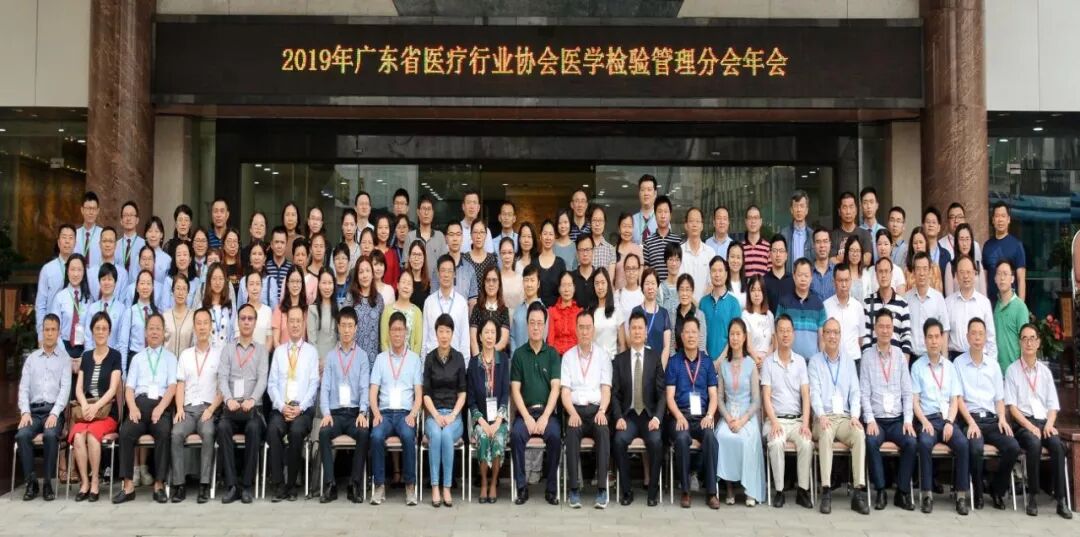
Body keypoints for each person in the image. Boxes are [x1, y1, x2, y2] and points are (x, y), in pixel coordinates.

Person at [1005, 323, 1072, 518]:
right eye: (1024, 339)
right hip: (1023, 423)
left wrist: (1049, 424)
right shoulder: (1012, 371)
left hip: (1045, 422)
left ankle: (1061, 500)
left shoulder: (1045, 372)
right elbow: (1012, 408)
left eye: (1032, 339)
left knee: (1058, 446)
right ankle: (1033, 496)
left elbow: (1053, 406)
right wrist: (1030, 426)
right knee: (1034, 443)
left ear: (1038, 342)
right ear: (1020, 342)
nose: (1028, 343)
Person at [954, 317, 1020, 511]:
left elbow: (999, 399)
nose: (977, 338)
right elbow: (958, 398)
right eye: (973, 333)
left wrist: (1002, 418)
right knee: (975, 448)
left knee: (1013, 446)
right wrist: (970, 422)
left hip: (992, 420)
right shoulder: (958, 363)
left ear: (985, 338)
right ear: (967, 337)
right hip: (970, 419)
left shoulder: (993, 365)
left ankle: (997, 489)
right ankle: (978, 492)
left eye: (980, 334)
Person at [113, 314, 177, 504]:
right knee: (125, 432)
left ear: (163, 333)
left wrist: (161, 408)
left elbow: (172, 387)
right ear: (145, 332)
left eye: (158, 328)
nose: (154, 332)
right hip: (139, 406)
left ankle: (159, 485)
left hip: (161, 406)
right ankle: (128, 486)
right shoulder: (138, 358)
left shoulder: (170, 358)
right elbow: (129, 388)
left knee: (164, 433)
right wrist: (132, 407)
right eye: (151, 328)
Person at [809, 318, 869, 514]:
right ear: (823, 335)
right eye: (828, 332)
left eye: (836, 332)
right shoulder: (815, 362)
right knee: (826, 432)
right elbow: (814, 393)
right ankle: (826, 491)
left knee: (859, 433)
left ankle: (858, 492)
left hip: (843, 418)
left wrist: (855, 416)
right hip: (823, 417)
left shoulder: (849, 362)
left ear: (840, 335)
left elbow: (855, 393)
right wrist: (820, 415)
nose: (832, 336)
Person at [910, 319, 970, 514]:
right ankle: (927, 495)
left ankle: (961, 496)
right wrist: (924, 422)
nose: (934, 341)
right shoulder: (917, 367)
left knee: (963, 444)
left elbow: (954, 400)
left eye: (937, 337)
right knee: (924, 443)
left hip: (947, 420)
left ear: (943, 339)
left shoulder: (950, 367)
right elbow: (915, 401)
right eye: (930, 337)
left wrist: (950, 422)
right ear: (925, 340)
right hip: (927, 419)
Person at [860, 309, 917, 511]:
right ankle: (881, 490)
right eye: (881, 326)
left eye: (888, 327)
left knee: (911, 442)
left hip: (896, 420)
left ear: (893, 329)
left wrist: (908, 420)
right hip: (877, 420)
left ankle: (902, 491)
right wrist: (869, 420)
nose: (885, 330)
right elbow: (864, 393)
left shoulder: (900, 356)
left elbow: (907, 392)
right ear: (875, 329)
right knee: (870, 441)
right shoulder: (867, 356)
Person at [368, 312, 424, 506]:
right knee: (376, 436)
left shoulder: (414, 359)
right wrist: (376, 413)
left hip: (404, 414)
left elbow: (419, 393)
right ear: (389, 332)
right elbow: (373, 391)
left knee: (408, 436)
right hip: (384, 413)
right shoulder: (381, 359)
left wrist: (413, 414)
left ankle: (410, 486)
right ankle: (379, 486)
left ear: (406, 332)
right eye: (394, 330)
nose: (397, 334)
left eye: (400, 329)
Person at [317, 306, 371, 504]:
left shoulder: (362, 356)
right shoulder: (331, 357)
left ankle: (354, 484)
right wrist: (326, 413)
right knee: (324, 433)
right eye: (343, 325)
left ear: (356, 328)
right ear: (338, 327)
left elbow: (364, 387)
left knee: (364, 433)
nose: (347, 330)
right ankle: (330, 484)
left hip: (355, 413)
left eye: (350, 326)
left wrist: (363, 412)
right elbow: (325, 388)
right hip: (336, 414)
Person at [665, 317, 721, 509]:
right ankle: (685, 490)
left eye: (694, 332)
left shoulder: (707, 362)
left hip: (702, 417)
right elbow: (669, 396)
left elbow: (713, 395)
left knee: (710, 437)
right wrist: (679, 416)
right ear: (681, 336)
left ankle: (711, 492)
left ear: (699, 335)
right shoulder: (674, 362)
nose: (690, 336)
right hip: (679, 416)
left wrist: (710, 415)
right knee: (681, 438)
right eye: (687, 332)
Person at [510, 302, 562, 505]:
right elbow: (515, 390)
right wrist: (526, 417)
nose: (536, 327)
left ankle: (551, 489)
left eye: (540, 323)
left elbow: (556, 388)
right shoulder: (519, 355)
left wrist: (545, 417)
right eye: (532, 323)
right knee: (516, 435)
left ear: (545, 326)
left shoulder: (552, 354)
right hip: (526, 413)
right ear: (527, 324)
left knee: (555, 436)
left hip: (547, 414)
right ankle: (522, 488)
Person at [216, 303, 269, 504]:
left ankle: (247, 485)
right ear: (237, 322)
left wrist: (252, 400)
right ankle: (231, 486)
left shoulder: (261, 350)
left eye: (250, 319)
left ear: (255, 322)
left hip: (252, 409)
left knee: (254, 429)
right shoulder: (228, 349)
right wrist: (229, 399)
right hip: (231, 408)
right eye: (243, 318)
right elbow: (222, 377)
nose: (246, 322)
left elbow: (262, 379)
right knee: (222, 428)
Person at [611, 311, 666, 506]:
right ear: (628, 331)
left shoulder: (654, 357)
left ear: (645, 332)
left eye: (640, 328)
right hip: (629, 416)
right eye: (633, 328)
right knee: (619, 441)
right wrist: (618, 417)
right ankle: (627, 491)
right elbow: (615, 394)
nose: (636, 331)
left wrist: (657, 418)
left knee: (656, 441)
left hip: (649, 416)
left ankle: (652, 492)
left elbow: (662, 393)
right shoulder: (619, 360)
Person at [266, 306, 320, 502]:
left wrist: (300, 408)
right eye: (292, 321)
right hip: (281, 407)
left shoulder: (311, 352)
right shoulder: (279, 352)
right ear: (286, 324)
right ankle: (279, 484)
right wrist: (282, 406)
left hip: (302, 409)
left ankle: (291, 485)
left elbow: (314, 384)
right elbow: (272, 384)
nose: (295, 325)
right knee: (273, 430)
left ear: (303, 324)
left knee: (297, 432)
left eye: (298, 321)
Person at [169, 308, 223, 503]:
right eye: (198, 323)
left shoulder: (219, 354)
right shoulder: (185, 355)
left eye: (205, 323)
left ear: (211, 327)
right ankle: (179, 485)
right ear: (194, 327)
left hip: (208, 409)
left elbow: (222, 389)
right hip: (188, 409)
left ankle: (204, 484)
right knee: (176, 433)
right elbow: (180, 384)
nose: (202, 327)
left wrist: (211, 409)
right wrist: (179, 408)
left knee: (208, 433)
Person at [15, 314, 71, 502]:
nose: (49, 333)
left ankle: (48, 482)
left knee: (50, 435)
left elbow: (65, 390)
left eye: (53, 330)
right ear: (42, 331)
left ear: (58, 333)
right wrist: (25, 412)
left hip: (53, 412)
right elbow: (23, 388)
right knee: (22, 435)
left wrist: (55, 413)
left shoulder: (64, 360)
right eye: (46, 329)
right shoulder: (32, 359)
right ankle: (31, 482)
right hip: (33, 412)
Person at [560, 311, 613, 509]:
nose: (584, 332)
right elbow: (565, 392)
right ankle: (574, 489)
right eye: (581, 327)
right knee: (572, 432)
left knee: (603, 431)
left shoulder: (602, 356)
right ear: (575, 330)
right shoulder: (568, 357)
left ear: (593, 330)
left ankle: (602, 489)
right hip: (576, 411)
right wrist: (572, 413)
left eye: (588, 328)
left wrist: (602, 410)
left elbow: (606, 388)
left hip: (597, 410)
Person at [713, 318, 767, 507]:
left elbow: (757, 400)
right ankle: (729, 488)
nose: (735, 338)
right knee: (722, 437)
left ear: (744, 337)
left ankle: (749, 489)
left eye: (738, 334)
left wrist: (742, 421)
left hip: (747, 417)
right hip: (729, 416)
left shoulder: (751, 364)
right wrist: (729, 419)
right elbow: (720, 398)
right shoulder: (723, 365)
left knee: (746, 439)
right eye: (732, 334)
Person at [761, 314, 813, 509]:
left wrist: (806, 423)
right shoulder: (768, 362)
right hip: (775, 420)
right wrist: (774, 422)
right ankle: (779, 491)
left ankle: (803, 491)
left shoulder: (800, 362)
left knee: (806, 443)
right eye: (781, 331)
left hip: (797, 421)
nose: (785, 334)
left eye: (788, 331)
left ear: (793, 334)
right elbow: (766, 396)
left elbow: (806, 395)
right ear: (776, 334)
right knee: (776, 442)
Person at [69, 312, 122, 502]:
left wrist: (96, 407)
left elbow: (113, 389)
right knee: (78, 436)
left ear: (109, 332)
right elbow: (79, 388)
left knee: (92, 436)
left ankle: (95, 482)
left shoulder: (115, 356)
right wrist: (85, 405)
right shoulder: (86, 356)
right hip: (86, 410)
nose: (100, 332)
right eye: (97, 328)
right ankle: (84, 482)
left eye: (104, 329)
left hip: (106, 412)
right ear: (92, 331)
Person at [422, 314, 468, 508]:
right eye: (441, 331)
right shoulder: (429, 358)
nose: (444, 335)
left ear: (452, 333)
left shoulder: (458, 358)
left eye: (447, 331)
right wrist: (436, 415)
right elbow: (426, 394)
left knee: (447, 434)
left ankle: (447, 487)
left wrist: (452, 415)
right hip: (433, 414)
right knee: (436, 434)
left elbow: (463, 393)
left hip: (453, 415)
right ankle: (435, 486)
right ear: (436, 333)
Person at [468, 318, 511, 503]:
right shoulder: (473, 364)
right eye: (486, 332)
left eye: (493, 332)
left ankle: (494, 483)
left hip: (499, 419)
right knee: (484, 437)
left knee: (498, 437)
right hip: (481, 420)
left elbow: (505, 394)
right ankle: (484, 483)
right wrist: (483, 423)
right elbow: (471, 400)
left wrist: (498, 421)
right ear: (480, 336)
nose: (489, 336)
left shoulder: (503, 360)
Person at [944, 256, 997, 362]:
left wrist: (992, 364)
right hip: (955, 358)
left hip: (980, 358)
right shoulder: (948, 303)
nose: (966, 276)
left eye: (969, 272)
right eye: (962, 272)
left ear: (974, 274)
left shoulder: (984, 303)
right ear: (956, 276)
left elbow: (990, 337)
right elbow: (945, 336)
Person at [862, 257, 913, 359]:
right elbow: (866, 336)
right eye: (880, 271)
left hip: (896, 360)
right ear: (876, 275)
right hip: (874, 360)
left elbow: (906, 336)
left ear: (891, 274)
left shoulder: (902, 304)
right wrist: (869, 361)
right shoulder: (868, 302)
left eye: (886, 271)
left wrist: (904, 362)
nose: (883, 275)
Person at [775, 259, 826, 360]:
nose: (803, 279)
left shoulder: (818, 304)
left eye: (806, 276)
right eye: (799, 275)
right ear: (794, 277)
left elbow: (822, 338)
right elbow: (777, 334)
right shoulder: (784, 303)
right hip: (789, 362)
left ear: (811, 278)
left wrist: (823, 361)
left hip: (813, 362)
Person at [422, 254, 471, 360]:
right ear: (438, 273)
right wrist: (423, 364)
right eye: (443, 270)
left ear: (454, 274)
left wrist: (465, 364)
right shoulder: (429, 302)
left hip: (455, 362)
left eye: (449, 271)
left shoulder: (461, 303)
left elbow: (465, 339)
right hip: (433, 362)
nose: (446, 275)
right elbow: (425, 337)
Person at [904, 253, 950, 359]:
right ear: (913, 272)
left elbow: (945, 329)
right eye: (918, 269)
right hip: (912, 356)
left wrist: (944, 358)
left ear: (930, 271)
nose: (922, 273)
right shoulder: (906, 298)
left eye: (925, 269)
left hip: (933, 357)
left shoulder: (938, 298)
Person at [36, 224, 76, 342]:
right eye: (64, 237)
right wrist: (41, 334)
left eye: (71, 238)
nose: (67, 241)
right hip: (51, 331)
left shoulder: (80, 270)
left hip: (73, 333)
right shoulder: (47, 269)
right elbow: (41, 304)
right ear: (58, 242)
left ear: (75, 242)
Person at [118, 270, 161, 373]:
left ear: (152, 287)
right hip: (135, 358)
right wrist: (123, 370)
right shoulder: (130, 312)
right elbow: (123, 344)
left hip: (153, 360)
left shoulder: (157, 313)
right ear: (137, 288)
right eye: (142, 283)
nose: (145, 287)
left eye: (148, 283)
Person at [983, 202, 1027, 303]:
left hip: (1010, 303)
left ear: (1008, 219)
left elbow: (1021, 279)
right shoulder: (987, 246)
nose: (1000, 220)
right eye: (997, 216)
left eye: (1003, 216)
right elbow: (984, 279)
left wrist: (1021, 306)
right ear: (993, 220)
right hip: (991, 303)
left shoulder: (1017, 245)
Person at [824, 264, 866, 367]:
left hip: (854, 361)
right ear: (833, 282)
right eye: (840, 280)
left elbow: (861, 338)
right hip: (831, 361)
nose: (844, 285)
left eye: (846, 280)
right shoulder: (826, 306)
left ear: (851, 281)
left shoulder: (858, 307)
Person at [51, 254, 92, 359]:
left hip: (84, 348)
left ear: (84, 272)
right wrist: (64, 355)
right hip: (63, 347)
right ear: (67, 271)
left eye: (79, 270)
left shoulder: (89, 299)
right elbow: (54, 329)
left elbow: (91, 331)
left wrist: (85, 355)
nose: (75, 274)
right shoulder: (60, 297)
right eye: (72, 269)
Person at [992, 261, 1029, 372]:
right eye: (999, 274)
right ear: (995, 279)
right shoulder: (995, 306)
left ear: (1012, 279)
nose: (1002, 278)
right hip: (997, 370)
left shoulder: (1020, 307)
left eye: (1005, 274)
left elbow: (1026, 341)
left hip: (1015, 371)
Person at [349, 256, 385, 367]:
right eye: (361, 272)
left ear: (372, 274)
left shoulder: (379, 299)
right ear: (357, 276)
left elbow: (382, 331)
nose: (364, 275)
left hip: (374, 359)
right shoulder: (350, 298)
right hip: (353, 358)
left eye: (367, 271)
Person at [84, 262, 126, 353]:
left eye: (110, 279)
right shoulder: (92, 308)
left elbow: (122, 341)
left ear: (115, 283)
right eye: (103, 279)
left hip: (113, 356)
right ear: (99, 282)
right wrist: (90, 357)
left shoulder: (121, 309)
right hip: (94, 356)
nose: (106, 283)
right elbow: (88, 338)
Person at [469, 265, 510, 357]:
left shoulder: (504, 310)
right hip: (479, 358)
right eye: (488, 280)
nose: (491, 284)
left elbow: (503, 342)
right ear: (484, 283)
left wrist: (488, 356)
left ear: (499, 284)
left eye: (494, 280)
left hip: (498, 360)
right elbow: (473, 340)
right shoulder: (477, 308)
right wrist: (480, 360)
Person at [633, 268, 672, 364]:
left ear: (657, 286)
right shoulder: (636, 311)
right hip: (640, 365)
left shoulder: (664, 313)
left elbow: (667, 346)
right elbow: (632, 342)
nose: (650, 287)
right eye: (647, 283)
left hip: (660, 365)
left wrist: (660, 369)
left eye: (653, 283)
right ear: (642, 287)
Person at [380, 271, 423, 355]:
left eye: (409, 283)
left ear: (412, 289)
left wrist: (412, 360)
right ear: (397, 286)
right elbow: (384, 341)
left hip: (411, 360)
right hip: (390, 360)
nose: (406, 286)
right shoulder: (387, 311)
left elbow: (417, 343)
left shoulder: (417, 312)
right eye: (403, 282)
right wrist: (389, 360)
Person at [642, 196, 683, 280]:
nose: (663, 216)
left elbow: (682, 269)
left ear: (670, 215)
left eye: (666, 212)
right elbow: (646, 272)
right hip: (654, 288)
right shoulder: (647, 243)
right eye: (660, 211)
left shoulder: (678, 241)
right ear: (655, 215)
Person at [830, 192, 873, 267]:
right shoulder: (833, 235)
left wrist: (843, 257)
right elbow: (831, 260)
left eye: (851, 207)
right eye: (844, 207)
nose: (848, 211)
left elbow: (867, 260)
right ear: (839, 211)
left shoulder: (865, 234)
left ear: (856, 210)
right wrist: (856, 257)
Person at [511, 264, 546, 354]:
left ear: (538, 284)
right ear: (523, 283)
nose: (529, 284)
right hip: (518, 359)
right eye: (526, 280)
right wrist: (516, 356)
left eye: (532, 280)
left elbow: (545, 339)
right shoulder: (518, 310)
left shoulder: (544, 311)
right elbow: (512, 337)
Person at [740, 275, 774, 368]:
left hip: (768, 361)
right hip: (751, 360)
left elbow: (773, 343)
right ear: (749, 293)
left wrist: (765, 359)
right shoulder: (745, 315)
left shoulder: (769, 315)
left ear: (763, 293)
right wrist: (756, 359)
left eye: (759, 290)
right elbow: (748, 345)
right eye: (753, 290)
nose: (756, 294)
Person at [943, 224, 986, 296]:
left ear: (971, 241)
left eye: (967, 239)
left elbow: (983, 295)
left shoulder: (978, 265)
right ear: (957, 242)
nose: (965, 243)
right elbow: (949, 297)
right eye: (961, 239)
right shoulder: (951, 266)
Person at [443, 221, 479, 306]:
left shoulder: (469, 268)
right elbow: (434, 298)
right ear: (446, 238)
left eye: (458, 234)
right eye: (451, 234)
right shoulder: (438, 267)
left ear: (462, 238)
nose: (455, 239)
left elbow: (472, 302)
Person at [308, 269, 340, 360]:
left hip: (336, 360)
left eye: (330, 283)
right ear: (319, 284)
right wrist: (319, 360)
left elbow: (341, 339)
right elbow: (312, 340)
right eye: (324, 283)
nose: (327, 287)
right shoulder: (312, 309)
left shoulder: (339, 308)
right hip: (317, 361)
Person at [87, 227, 128, 299]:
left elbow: (122, 302)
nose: (107, 245)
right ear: (99, 244)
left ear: (115, 245)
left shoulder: (122, 274)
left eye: (111, 241)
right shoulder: (90, 273)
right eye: (104, 241)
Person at [272, 266, 307, 348]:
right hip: (283, 354)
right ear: (287, 284)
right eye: (292, 281)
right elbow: (275, 341)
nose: (295, 285)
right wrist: (284, 354)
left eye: (298, 281)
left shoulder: (306, 309)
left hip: (302, 354)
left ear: (302, 284)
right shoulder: (279, 309)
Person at [547, 271, 581, 355]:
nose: (566, 290)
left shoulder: (579, 312)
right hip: (556, 356)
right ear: (559, 289)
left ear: (574, 288)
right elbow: (550, 340)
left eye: (569, 285)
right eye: (563, 285)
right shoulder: (552, 311)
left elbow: (581, 339)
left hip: (575, 356)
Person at [407, 195, 448, 265]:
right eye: (423, 209)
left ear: (433, 212)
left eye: (429, 209)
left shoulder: (440, 237)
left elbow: (444, 264)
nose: (426, 213)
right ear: (418, 212)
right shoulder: (410, 237)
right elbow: (406, 265)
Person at [862, 230, 906, 295]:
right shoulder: (869, 271)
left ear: (891, 246)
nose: (882, 248)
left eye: (886, 244)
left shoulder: (898, 271)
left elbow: (901, 297)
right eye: (879, 244)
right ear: (876, 246)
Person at [672, 274, 706, 357]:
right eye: (681, 289)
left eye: (687, 290)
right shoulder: (672, 314)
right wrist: (674, 360)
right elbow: (671, 344)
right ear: (677, 292)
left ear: (692, 291)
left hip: (696, 360)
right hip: (677, 360)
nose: (684, 293)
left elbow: (701, 344)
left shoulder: (699, 315)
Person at [903, 227, 944, 293]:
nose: (918, 246)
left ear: (926, 243)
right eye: (915, 243)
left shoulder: (934, 268)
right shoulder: (907, 270)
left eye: (921, 242)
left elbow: (938, 294)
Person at [780, 190, 814, 271]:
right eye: (796, 206)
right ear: (791, 210)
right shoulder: (783, 234)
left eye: (802, 206)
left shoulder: (813, 236)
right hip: (789, 277)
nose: (799, 210)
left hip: (808, 278)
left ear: (807, 210)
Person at [614, 212, 643, 290]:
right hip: (618, 295)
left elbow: (640, 278)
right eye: (624, 226)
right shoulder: (613, 250)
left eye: (630, 226)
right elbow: (611, 278)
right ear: (619, 229)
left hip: (635, 295)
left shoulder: (638, 250)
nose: (627, 230)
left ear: (633, 229)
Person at [265, 226, 294, 305]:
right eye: (276, 242)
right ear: (271, 244)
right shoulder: (265, 267)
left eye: (282, 242)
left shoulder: (291, 268)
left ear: (286, 245)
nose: (279, 246)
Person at [921, 207, 953, 278]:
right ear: (923, 226)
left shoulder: (946, 254)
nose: (931, 225)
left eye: (934, 222)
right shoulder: (918, 251)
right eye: (928, 222)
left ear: (939, 228)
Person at [460, 189, 495, 253]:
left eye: (474, 203)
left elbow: (489, 255)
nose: (472, 206)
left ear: (478, 208)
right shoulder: (457, 230)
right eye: (468, 202)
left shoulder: (486, 231)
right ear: (463, 206)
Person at [74, 192, 103, 266]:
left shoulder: (103, 234)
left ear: (98, 211)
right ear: (82, 210)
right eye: (88, 208)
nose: (91, 212)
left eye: (94, 209)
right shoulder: (74, 235)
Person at [742, 205, 770, 278]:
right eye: (750, 218)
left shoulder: (768, 248)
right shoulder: (740, 248)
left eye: (756, 218)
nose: (753, 221)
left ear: (761, 221)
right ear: (746, 221)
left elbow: (770, 276)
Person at [570, 234, 598, 308]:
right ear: (577, 253)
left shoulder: (599, 277)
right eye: (581, 250)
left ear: (593, 251)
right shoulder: (570, 278)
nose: (585, 254)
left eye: (588, 249)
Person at [589, 205, 617, 278]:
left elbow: (610, 279)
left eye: (600, 220)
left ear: (604, 223)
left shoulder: (611, 249)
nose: (597, 224)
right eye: (594, 220)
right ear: (590, 223)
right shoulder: (584, 247)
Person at [809, 229, 835, 301]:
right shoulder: (807, 272)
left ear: (830, 244)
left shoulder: (837, 272)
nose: (822, 245)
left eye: (825, 241)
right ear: (813, 245)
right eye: (818, 242)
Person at [499, 237, 524, 312]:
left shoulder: (520, 279)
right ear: (500, 254)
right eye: (504, 253)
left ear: (514, 254)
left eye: (510, 252)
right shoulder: (496, 278)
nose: (507, 256)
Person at [632, 174, 658, 244]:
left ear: (655, 193)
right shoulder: (632, 220)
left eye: (649, 190)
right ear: (639, 193)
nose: (646, 193)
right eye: (642, 190)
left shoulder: (662, 219)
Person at [406, 240, 431, 309]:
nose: (416, 259)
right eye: (414, 254)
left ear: (424, 258)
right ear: (409, 258)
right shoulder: (403, 281)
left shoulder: (429, 284)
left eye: (419, 255)